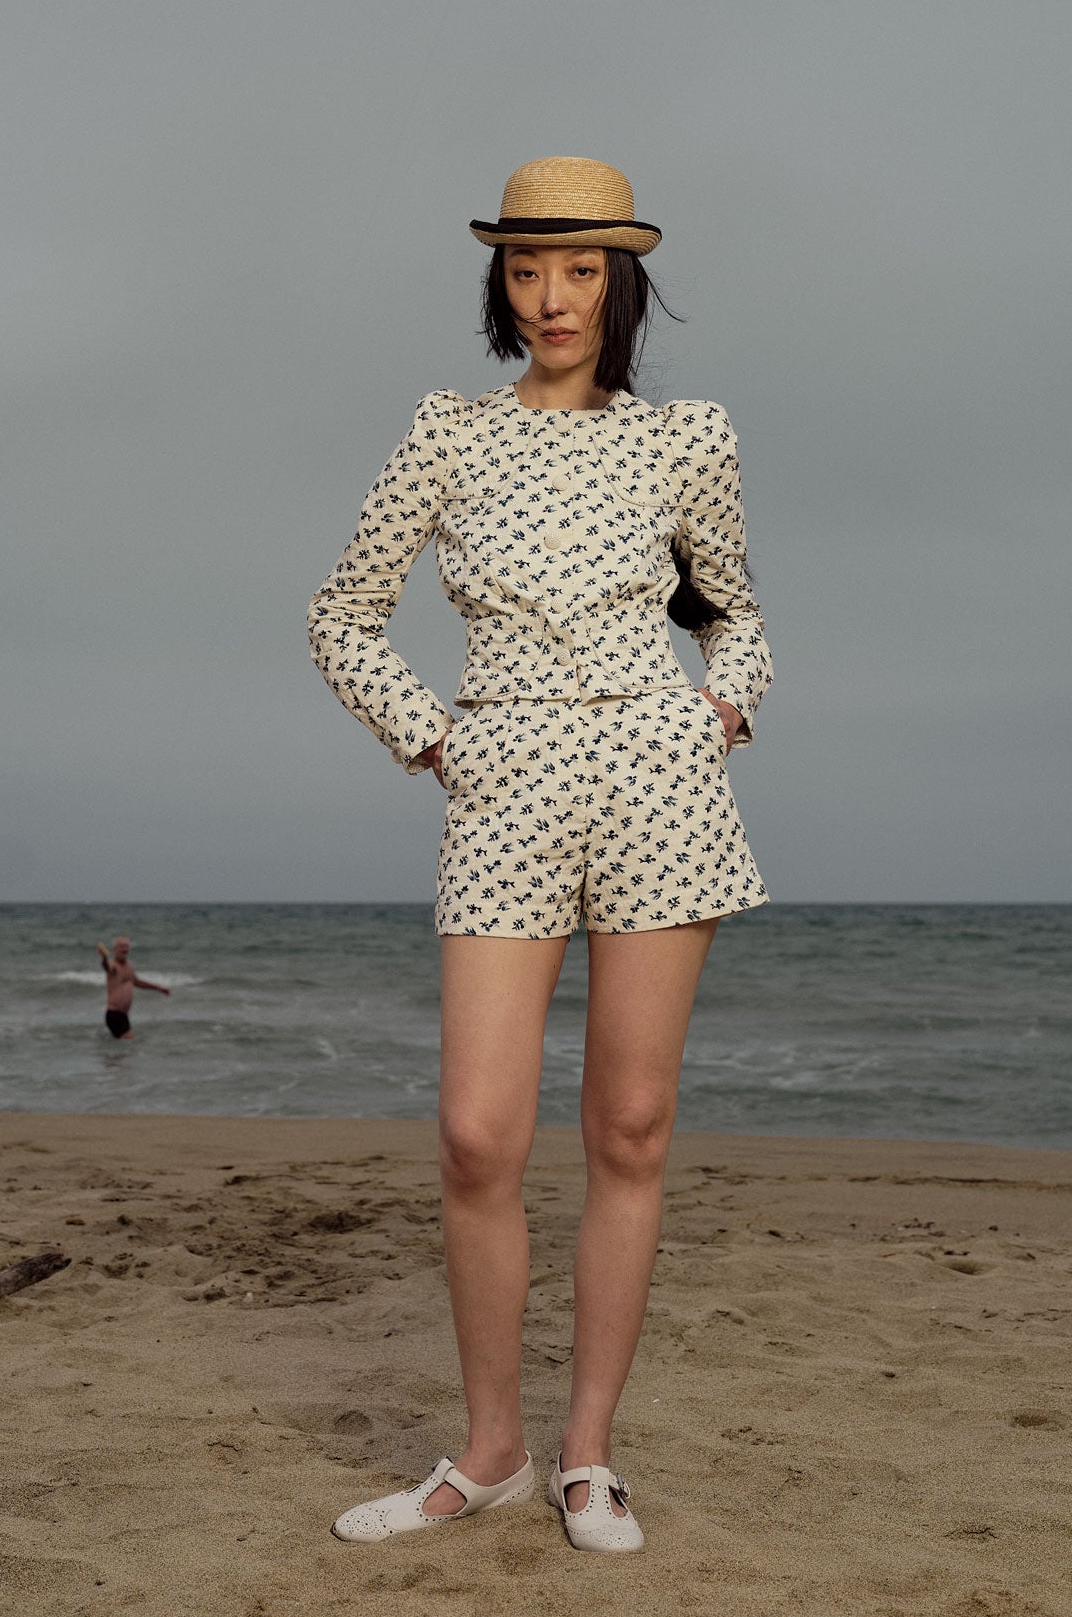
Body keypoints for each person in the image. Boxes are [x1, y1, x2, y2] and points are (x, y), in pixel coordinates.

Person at [306, 157, 772, 1555]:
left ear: (619, 283)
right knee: (474, 1134)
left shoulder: (688, 437)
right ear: (500, 283)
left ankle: (586, 1458)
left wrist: (722, 709)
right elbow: (341, 615)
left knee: (628, 1127)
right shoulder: (449, 434)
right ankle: (492, 1449)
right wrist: (436, 738)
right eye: (526, 269)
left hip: (657, 782)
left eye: (578, 270)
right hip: (501, 782)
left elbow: (733, 610)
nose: (552, 295)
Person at [97, 936, 169, 1038]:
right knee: (130, 1041)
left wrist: (159, 988)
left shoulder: (129, 966)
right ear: (114, 949)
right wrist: (104, 958)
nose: (124, 949)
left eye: (126, 946)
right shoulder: (113, 965)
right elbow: (107, 967)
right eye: (121, 946)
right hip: (114, 1014)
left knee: (122, 1051)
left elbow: (137, 982)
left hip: (123, 1015)